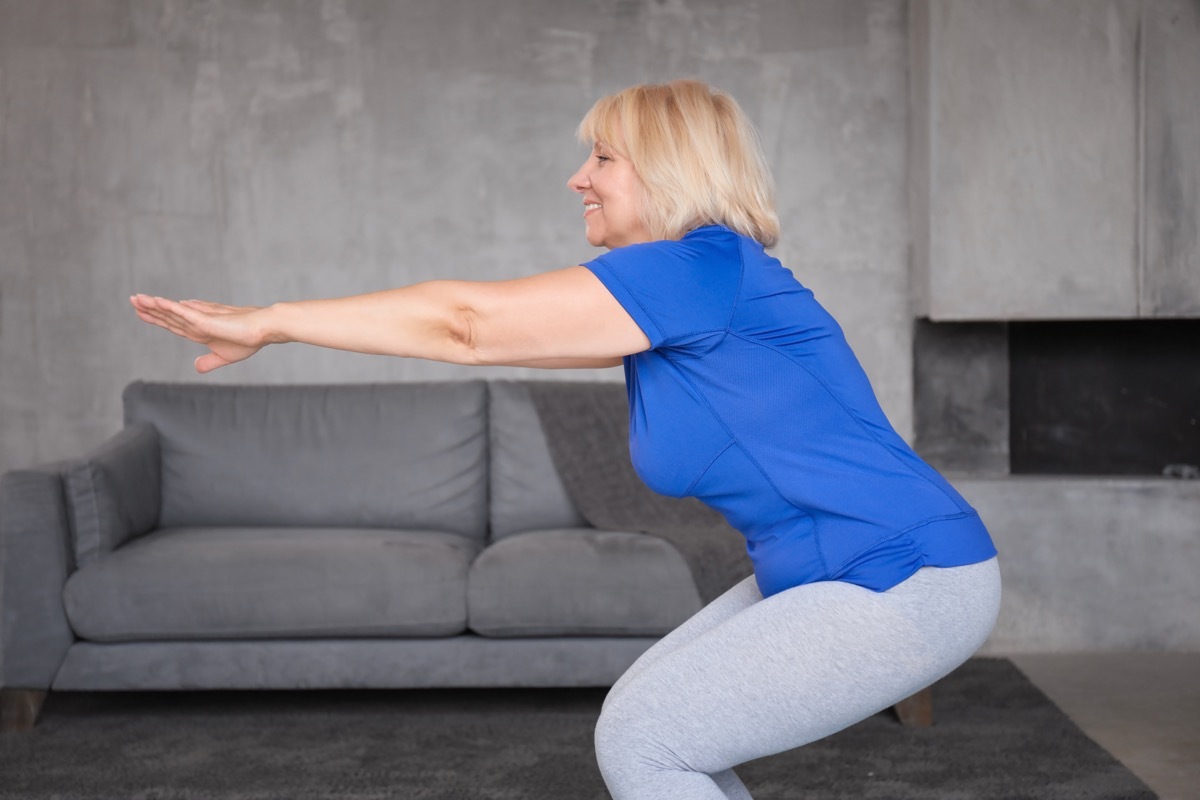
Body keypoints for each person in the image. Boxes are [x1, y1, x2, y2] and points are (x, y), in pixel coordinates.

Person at [132, 79, 1000, 800]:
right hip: (845, 568)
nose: (578, 177)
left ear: (666, 168)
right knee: (651, 719)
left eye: (603, 157)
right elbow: (477, 331)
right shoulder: (676, 293)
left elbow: (464, 326)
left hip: (903, 572)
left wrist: (272, 322)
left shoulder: (698, 268)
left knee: (648, 739)